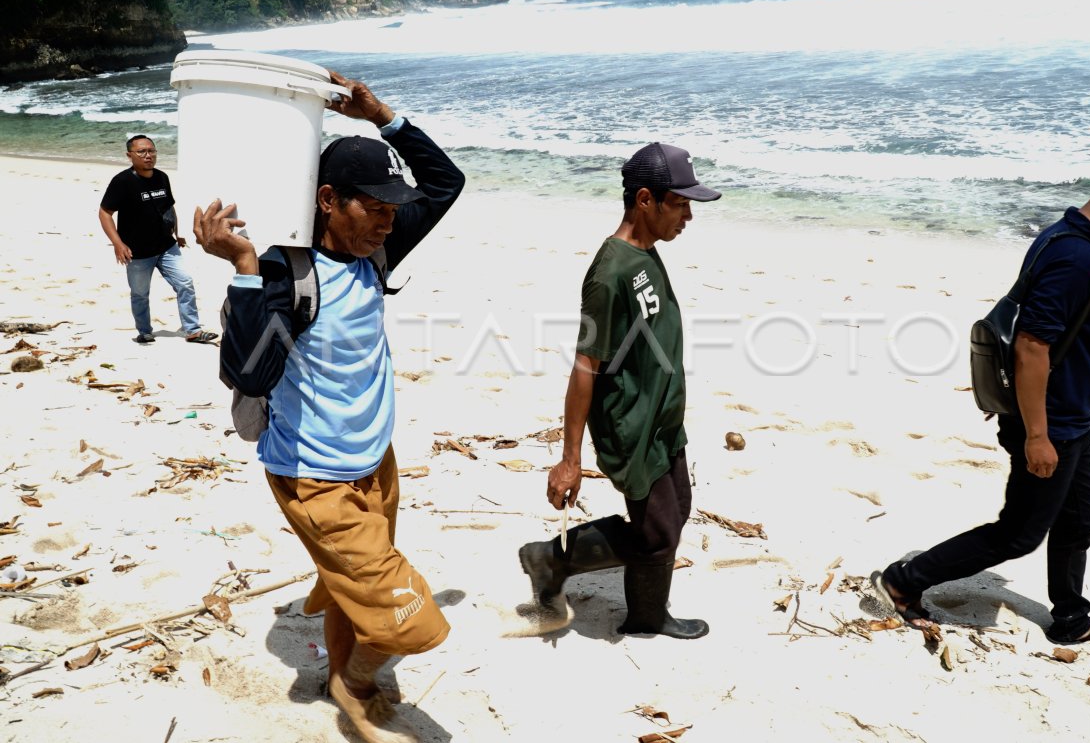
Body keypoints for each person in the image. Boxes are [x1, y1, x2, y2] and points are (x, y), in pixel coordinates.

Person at [193, 72, 465, 743]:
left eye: (392, 208)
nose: (388, 217)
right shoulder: (291, 273)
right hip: (314, 474)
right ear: (328, 199)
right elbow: (245, 369)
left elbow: (446, 183)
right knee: (411, 620)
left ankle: (346, 673)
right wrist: (246, 265)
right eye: (373, 205)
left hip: (376, 461)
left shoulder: (376, 250)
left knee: (356, 596)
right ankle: (355, 682)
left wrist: (383, 117)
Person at [874, 147, 1090, 644]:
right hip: (1048, 423)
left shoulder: (1074, 239)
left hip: (1070, 417)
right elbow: (1030, 346)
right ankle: (904, 581)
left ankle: (1071, 618)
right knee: (1018, 534)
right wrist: (1038, 437)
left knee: (1081, 513)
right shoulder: (1075, 255)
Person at [518, 142, 720, 639]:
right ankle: (548, 560)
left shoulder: (646, 251)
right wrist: (570, 459)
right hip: (632, 424)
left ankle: (646, 612)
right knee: (654, 533)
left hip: (662, 416)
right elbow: (585, 366)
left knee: (675, 515)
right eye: (681, 203)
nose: (689, 216)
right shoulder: (611, 273)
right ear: (645, 200)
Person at [98, 135, 217, 344]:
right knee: (140, 294)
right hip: (137, 252)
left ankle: (193, 330)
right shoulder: (122, 182)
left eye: (151, 151)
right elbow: (105, 212)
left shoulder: (162, 177)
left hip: (166, 246)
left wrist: (177, 233)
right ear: (129, 155)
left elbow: (168, 207)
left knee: (185, 283)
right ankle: (144, 331)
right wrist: (118, 243)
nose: (148, 156)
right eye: (141, 152)